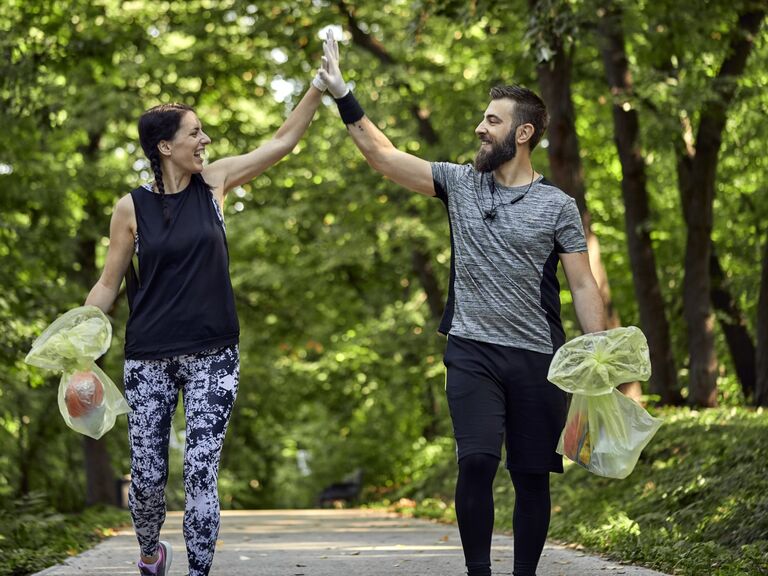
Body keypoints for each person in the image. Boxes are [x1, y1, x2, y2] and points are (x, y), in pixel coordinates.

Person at [318, 36, 605, 576]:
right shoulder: (460, 184)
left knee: (530, 476)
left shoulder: (558, 207)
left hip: (538, 357)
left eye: (492, 121)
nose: (480, 128)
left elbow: (584, 286)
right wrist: (343, 94)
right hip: (472, 350)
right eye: (482, 119)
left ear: (523, 134)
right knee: (475, 460)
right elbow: (383, 156)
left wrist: (597, 355)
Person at [84, 57, 331, 576]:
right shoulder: (131, 208)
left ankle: (199, 572)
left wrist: (317, 88)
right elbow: (108, 283)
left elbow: (280, 144)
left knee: (200, 470)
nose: (206, 141)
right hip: (148, 356)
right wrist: (79, 348)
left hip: (213, 354)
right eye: (195, 134)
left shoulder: (214, 184)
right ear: (164, 147)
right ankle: (151, 551)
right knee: (148, 480)